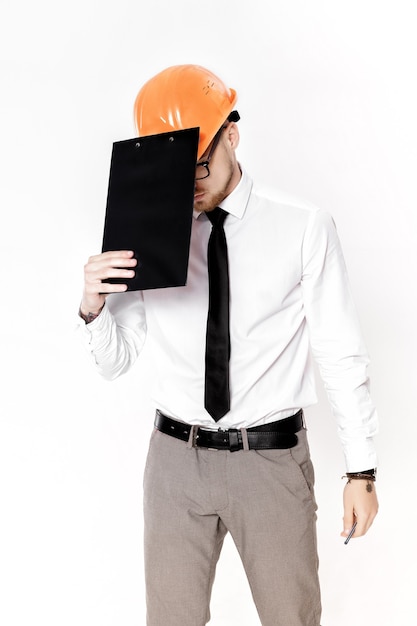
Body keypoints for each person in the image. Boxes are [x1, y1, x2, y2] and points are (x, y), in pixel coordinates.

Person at [77, 64, 379, 626]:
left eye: (198, 163)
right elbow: (116, 361)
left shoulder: (304, 227)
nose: (187, 182)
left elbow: (341, 354)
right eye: (174, 168)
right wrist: (93, 309)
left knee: (292, 618)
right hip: (173, 463)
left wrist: (361, 472)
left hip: (268, 460)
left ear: (231, 135)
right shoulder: (148, 230)